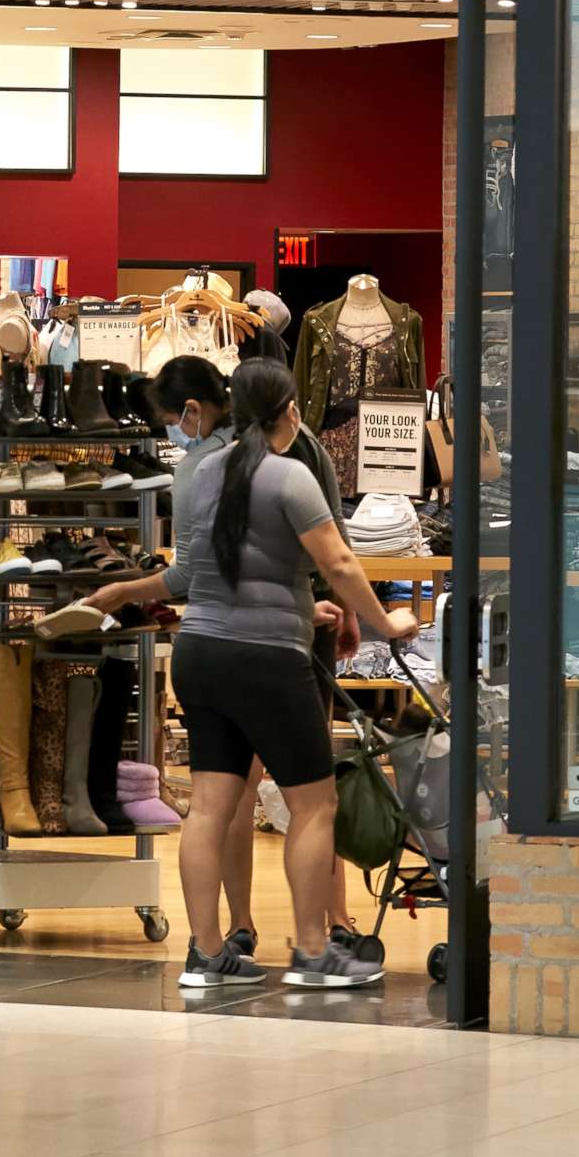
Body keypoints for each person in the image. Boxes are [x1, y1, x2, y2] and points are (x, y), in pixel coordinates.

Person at [85, 357, 414, 990]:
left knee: (208, 807)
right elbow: (341, 562)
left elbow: (187, 580)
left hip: (202, 656)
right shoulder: (291, 476)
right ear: (287, 411)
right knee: (314, 805)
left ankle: (207, 954)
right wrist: (384, 623)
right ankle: (315, 952)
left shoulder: (201, 473)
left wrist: (122, 591)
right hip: (268, 660)